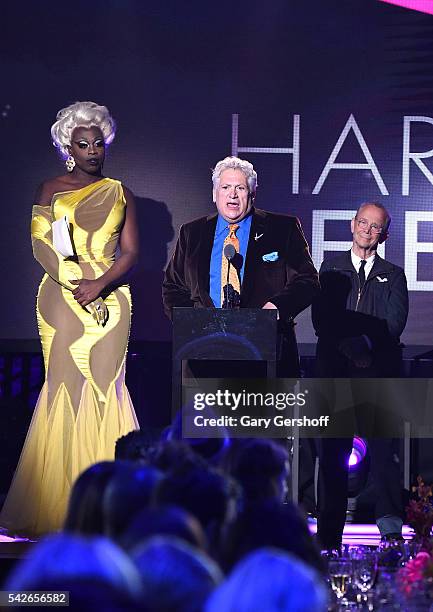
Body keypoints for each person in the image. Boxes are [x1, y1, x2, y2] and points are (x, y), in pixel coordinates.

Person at [0, 101, 139, 536]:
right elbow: (42, 245)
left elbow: (132, 253)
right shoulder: (50, 189)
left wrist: (99, 286)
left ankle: (106, 510)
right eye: (83, 145)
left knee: (105, 390)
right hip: (60, 299)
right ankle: (58, 508)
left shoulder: (120, 191)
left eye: (98, 143)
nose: (93, 151)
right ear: (68, 148)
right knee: (63, 389)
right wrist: (76, 281)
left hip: (111, 303)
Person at [162, 156, 319, 376]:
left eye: (240, 188)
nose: (232, 194)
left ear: (252, 194)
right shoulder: (193, 232)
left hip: (266, 358)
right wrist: (193, 325)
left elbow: (307, 280)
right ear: (215, 193)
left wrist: (275, 308)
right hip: (205, 357)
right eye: (225, 187)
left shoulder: (282, 229)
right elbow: (173, 287)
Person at [312, 201, 409, 548]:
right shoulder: (331, 268)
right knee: (333, 454)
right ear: (352, 225)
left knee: (383, 451)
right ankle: (328, 536)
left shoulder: (393, 273)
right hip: (335, 372)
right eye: (363, 223)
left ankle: (391, 528)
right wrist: (348, 348)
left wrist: (365, 344)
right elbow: (322, 321)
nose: (368, 231)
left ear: (384, 234)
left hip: (377, 372)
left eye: (376, 227)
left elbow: (393, 323)